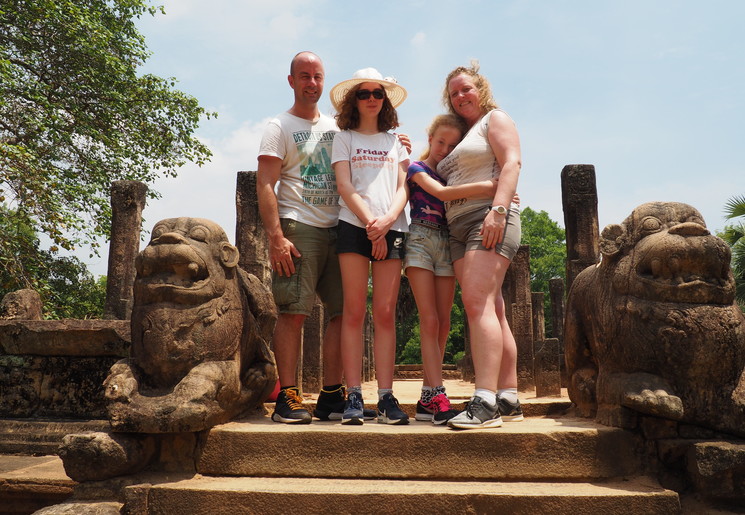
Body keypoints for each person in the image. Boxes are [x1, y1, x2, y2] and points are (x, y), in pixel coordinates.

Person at [257, 52, 375, 424]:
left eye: (318, 76)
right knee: (294, 311)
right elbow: (265, 183)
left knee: (345, 314)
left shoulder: (337, 127)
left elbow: (369, 155)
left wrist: (396, 140)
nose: (312, 83)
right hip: (300, 225)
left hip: (339, 228)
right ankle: (288, 396)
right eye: (304, 76)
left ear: (325, 82)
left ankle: (330, 395)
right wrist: (275, 238)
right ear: (291, 81)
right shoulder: (280, 126)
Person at [436, 61, 525, 430]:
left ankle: (484, 401)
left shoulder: (495, 119)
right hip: (457, 226)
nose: (460, 96)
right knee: (493, 308)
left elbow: (512, 163)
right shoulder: (464, 132)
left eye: (466, 89)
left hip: (486, 218)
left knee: (477, 305)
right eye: (454, 93)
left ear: (481, 90)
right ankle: (508, 395)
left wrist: (498, 211)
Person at [404, 114, 500, 425]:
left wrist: (498, 195)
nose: (445, 149)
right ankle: (438, 392)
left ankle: (426, 396)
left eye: (452, 145)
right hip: (419, 239)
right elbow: (442, 195)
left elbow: (458, 193)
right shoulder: (415, 169)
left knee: (444, 322)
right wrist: (492, 188)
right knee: (429, 319)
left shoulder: (453, 176)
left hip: (446, 242)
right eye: (440, 142)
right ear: (429, 139)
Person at [329, 68, 410, 425]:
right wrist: (371, 227)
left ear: (385, 99)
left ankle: (387, 396)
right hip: (353, 224)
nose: (372, 98)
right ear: (354, 100)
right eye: (364, 93)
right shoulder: (343, 137)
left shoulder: (395, 142)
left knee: (386, 313)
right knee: (353, 312)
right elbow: (344, 186)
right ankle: (354, 396)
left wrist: (386, 223)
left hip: (391, 226)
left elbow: (405, 186)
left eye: (378, 93)